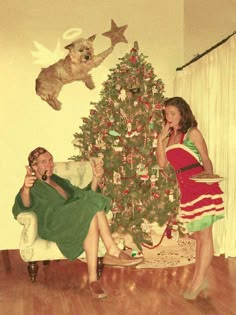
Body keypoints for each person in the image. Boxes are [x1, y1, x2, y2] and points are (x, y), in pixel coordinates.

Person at [12, 147, 143, 299]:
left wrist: (95, 178)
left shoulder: (59, 180)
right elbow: (24, 204)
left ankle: (93, 281)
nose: (49, 164)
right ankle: (113, 250)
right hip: (54, 224)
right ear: (34, 167)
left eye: (50, 160)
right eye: (43, 162)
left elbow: (83, 195)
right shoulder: (33, 185)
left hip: (71, 218)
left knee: (92, 213)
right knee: (91, 205)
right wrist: (26, 188)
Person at [156, 97, 224, 300]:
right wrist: (159, 140)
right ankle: (199, 280)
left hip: (202, 187)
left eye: (173, 114)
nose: (169, 118)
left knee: (204, 237)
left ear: (182, 114)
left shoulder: (192, 133)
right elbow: (161, 163)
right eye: (166, 114)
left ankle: (197, 282)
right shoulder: (168, 138)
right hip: (186, 190)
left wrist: (208, 178)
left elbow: (205, 158)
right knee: (198, 239)